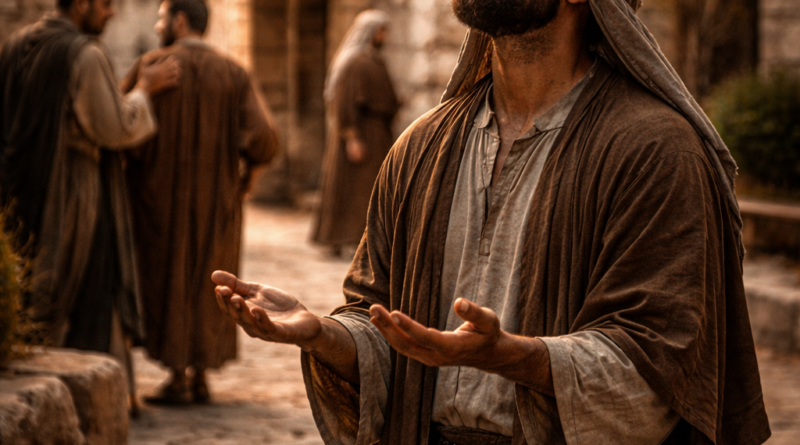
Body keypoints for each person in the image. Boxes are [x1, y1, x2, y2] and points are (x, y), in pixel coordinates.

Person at [213, 0, 772, 443]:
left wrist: (515, 357)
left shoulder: (654, 150)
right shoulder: (422, 148)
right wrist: (325, 334)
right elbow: (382, 326)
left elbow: (661, 367)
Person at [0, 0, 180, 406]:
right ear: (81, 4)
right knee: (86, 284)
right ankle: (89, 399)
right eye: (105, 5)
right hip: (71, 190)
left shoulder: (13, 45)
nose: (112, 13)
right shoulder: (85, 54)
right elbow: (116, 126)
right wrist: (144, 90)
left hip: (16, 191)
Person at [120, 0, 279, 405]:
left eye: (161, 18)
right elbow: (266, 140)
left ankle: (177, 375)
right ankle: (201, 374)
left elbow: (120, 129)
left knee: (167, 281)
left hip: (158, 203)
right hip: (217, 204)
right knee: (212, 281)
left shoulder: (152, 67)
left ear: (179, 20)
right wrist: (246, 179)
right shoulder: (233, 74)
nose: (158, 26)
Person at [311, 10, 399, 256]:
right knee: (353, 189)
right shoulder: (355, 62)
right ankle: (343, 238)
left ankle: (363, 239)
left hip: (376, 133)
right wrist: (352, 137)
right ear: (372, 33)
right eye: (382, 31)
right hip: (362, 134)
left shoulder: (371, 60)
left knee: (367, 189)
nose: (385, 37)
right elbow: (344, 103)